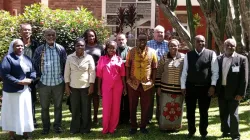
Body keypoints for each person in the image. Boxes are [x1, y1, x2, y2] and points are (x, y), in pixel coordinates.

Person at [181, 35, 219, 140]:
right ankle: (191, 131)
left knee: (204, 112)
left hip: (205, 88)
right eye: (198, 41)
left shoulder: (211, 54)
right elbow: (184, 71)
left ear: (205, 42)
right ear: (194, 42)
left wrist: (213, 86)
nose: (200, 43)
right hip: (190, 87)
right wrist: (183, 86)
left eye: (202, 41)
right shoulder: (188, 55)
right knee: (190, 111)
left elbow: (215, 72)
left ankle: (203, 133)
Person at [0, 39, 36, 139]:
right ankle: (11, 135)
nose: (20, 48)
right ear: (13, 47)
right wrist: (18, 82)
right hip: (12, 91)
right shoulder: (8, 58)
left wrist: (31, 80)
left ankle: (25, 133)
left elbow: (33, 71)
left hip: (25, 90)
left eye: (21, 46)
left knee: (25, 111)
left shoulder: (27, 58)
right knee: (12, 112)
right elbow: (4, 74)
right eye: (17, 46)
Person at [33, 29, 67, 135]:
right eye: (48, 35)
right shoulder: (39, 50)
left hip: (58, 83)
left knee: (58, 107)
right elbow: (34, 65)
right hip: (44, 83)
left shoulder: (60, 49)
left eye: (53, 35)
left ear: (55, 36)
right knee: (44, 108)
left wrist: (65, 80)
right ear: (44, 36)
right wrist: (38, 79)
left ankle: (57, 126)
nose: (50, 37)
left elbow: (65, 65)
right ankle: (46, 127)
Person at [216, 39, 248, 140]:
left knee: (233, 114)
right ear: (224, 46)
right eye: (228, 45)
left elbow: (244, 78)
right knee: (223, 113)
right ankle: (225, 131)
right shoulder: (218, 59)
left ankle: (235, 135)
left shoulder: (242, 59)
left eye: (232, 45)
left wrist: (241, 93)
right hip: (221, 91)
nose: (230, 47)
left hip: (235, 92)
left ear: (235, 47)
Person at [126, 33, 158, 134]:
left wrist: (153, 81)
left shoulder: (152, 52)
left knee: (146, 106)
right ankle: (133, 126)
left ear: (147, 40)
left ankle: (143, 126)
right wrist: (127, 79)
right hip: (133, 83)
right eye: (140, 39)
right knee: (132, 105)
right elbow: (127, 66)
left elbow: (154, 67)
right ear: (137, 40)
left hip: (147, 84)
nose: (142, 41)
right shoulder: (131, 52)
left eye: (144, 40)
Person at [64, 38, 96, 134]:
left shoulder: (89, 57)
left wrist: (91, 85)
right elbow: (66, 73)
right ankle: (75, 129)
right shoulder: (70, 57)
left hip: (86, 86)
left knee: (86, 109)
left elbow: (92, 72)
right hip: (73, 87)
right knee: (75, 108)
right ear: (75, 46)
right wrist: (67, 85)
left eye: (82, 45)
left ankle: (85, 129)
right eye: (78, 45)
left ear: (85, 46)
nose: (80, 47)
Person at [97, 41, 126, 134]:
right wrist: (98, 88)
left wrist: (125, 88)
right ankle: (105, 128)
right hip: (106, 87)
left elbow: (122, 76)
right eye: (109, 47)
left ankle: (112, 128)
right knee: (106, 108)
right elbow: (99, 76)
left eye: (113, 48)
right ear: (106, 48)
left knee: (116, 108)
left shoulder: (119, 59)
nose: (111, 49)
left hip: (118, 87)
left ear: (116, 49)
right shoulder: (102, 59)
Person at [155, 39, 185, 131]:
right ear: (168, 47)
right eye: (171, 46)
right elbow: (159, 72)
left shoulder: (184, 58)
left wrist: (184, 87)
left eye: (175, 45)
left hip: (178, 90)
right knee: (165, 108)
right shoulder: (164, 57)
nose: (173, 47)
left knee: (177, 109)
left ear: (178, 46)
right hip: (165, 89)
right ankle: (164, 126)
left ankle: (176, 127)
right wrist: (158, 87)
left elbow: (186, 73)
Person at [147, 25, 169, 123]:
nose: (160, 34)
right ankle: (148, 117)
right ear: (154, 34)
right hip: (150, 75)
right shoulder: (148, 44)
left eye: (162, 32)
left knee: (161, 97)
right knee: (149, 97)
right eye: (158, 32)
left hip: (163, 76)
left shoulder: (168, 44)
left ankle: (160, 116)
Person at [20, 23, 40, 128]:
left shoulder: (36, 44)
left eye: (28, 30)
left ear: (31, 32)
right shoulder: (17, 43)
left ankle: (32, 119)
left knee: (31, 99)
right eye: (24, 30)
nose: (26, 32)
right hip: (19, 75)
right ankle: (21, 120)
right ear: (20, 32)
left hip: (32, 75)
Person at [82, 29, 104, 124]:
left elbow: (103, 60)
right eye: (89, 36)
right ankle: (87, 117)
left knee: (96, 97)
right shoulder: (83, 47)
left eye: (93, 35)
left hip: (97, 75)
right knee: (87, 97)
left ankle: (95, 117)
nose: (91, 37)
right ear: (86, 37)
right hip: (85, 75)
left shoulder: (100, 47)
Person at [116, 33, 131, 124]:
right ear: (116, 41)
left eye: (122, 39)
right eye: (119, 40)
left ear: (126, 40)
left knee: (128, 99)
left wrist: (121, 61)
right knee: (119, 100)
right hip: (117, 79)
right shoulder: (114, 50)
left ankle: (127, 118)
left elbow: (132, 62)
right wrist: (125, 62)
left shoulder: (131, 50)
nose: (121, 41)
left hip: (128, 78)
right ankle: (119, 118)